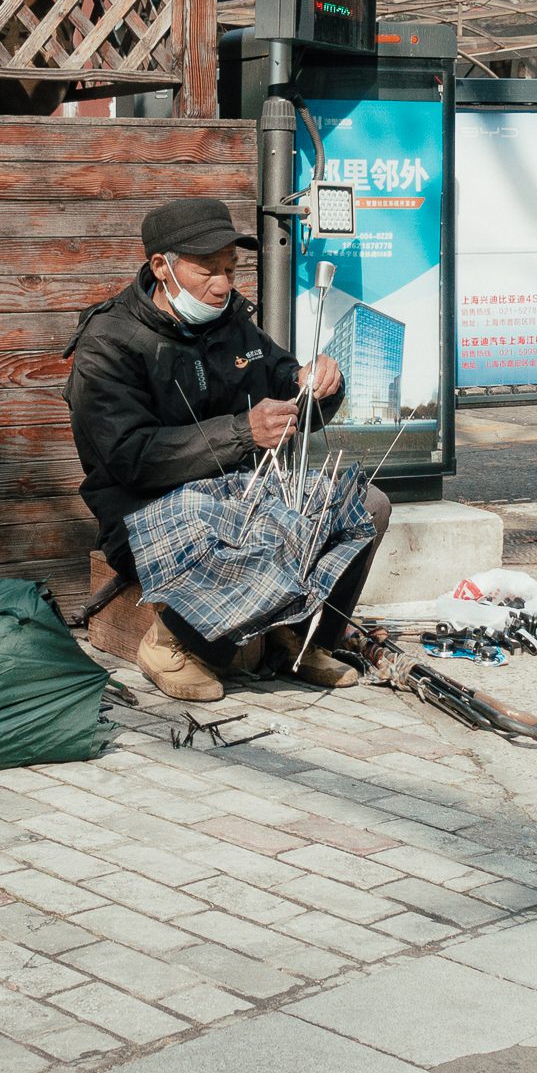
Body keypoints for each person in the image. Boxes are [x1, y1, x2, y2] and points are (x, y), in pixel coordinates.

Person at [64, 197, 391, 701]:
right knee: (230, 516)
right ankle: (172, 645)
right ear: (161, 267)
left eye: (230, 268)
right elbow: (128, 456)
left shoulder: (231, 322)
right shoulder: (109, 343)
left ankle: (299, 639)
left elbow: (284, 384)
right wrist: (243, 432)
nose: (222, 284)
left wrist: (318, 383)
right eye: (206, 270)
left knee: (366, 505)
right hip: (141, 512)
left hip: (235, 492)